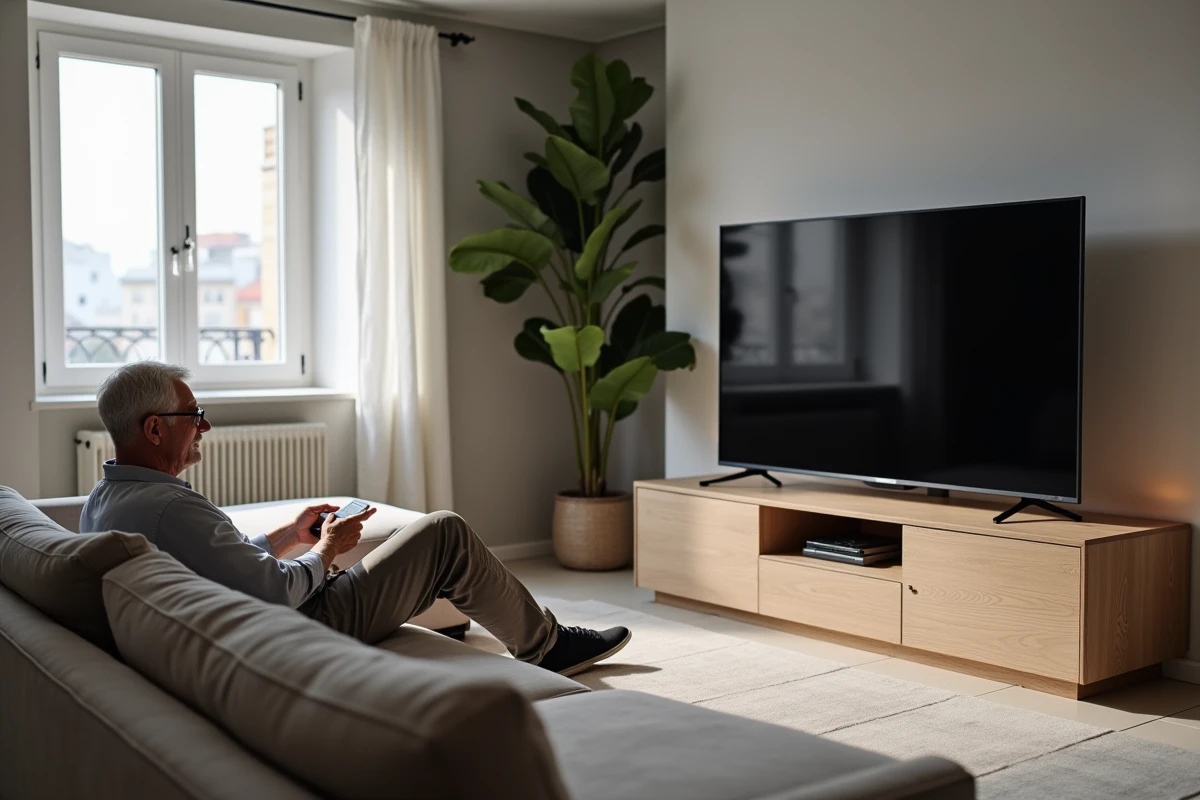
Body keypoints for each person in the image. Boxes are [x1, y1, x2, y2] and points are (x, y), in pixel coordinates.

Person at [80, 362, 630, 676]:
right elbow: (274, 593)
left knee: (432, 542)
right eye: (193, 415)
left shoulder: (104, 500)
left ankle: (539, 633)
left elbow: (215, 562)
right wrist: (327, 548)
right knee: (445, 534)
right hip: (298, 625)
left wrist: (286, 536)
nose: (204, 425)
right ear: (154, 430)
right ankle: (546, 646)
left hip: (250, 621)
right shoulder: (172, 507)